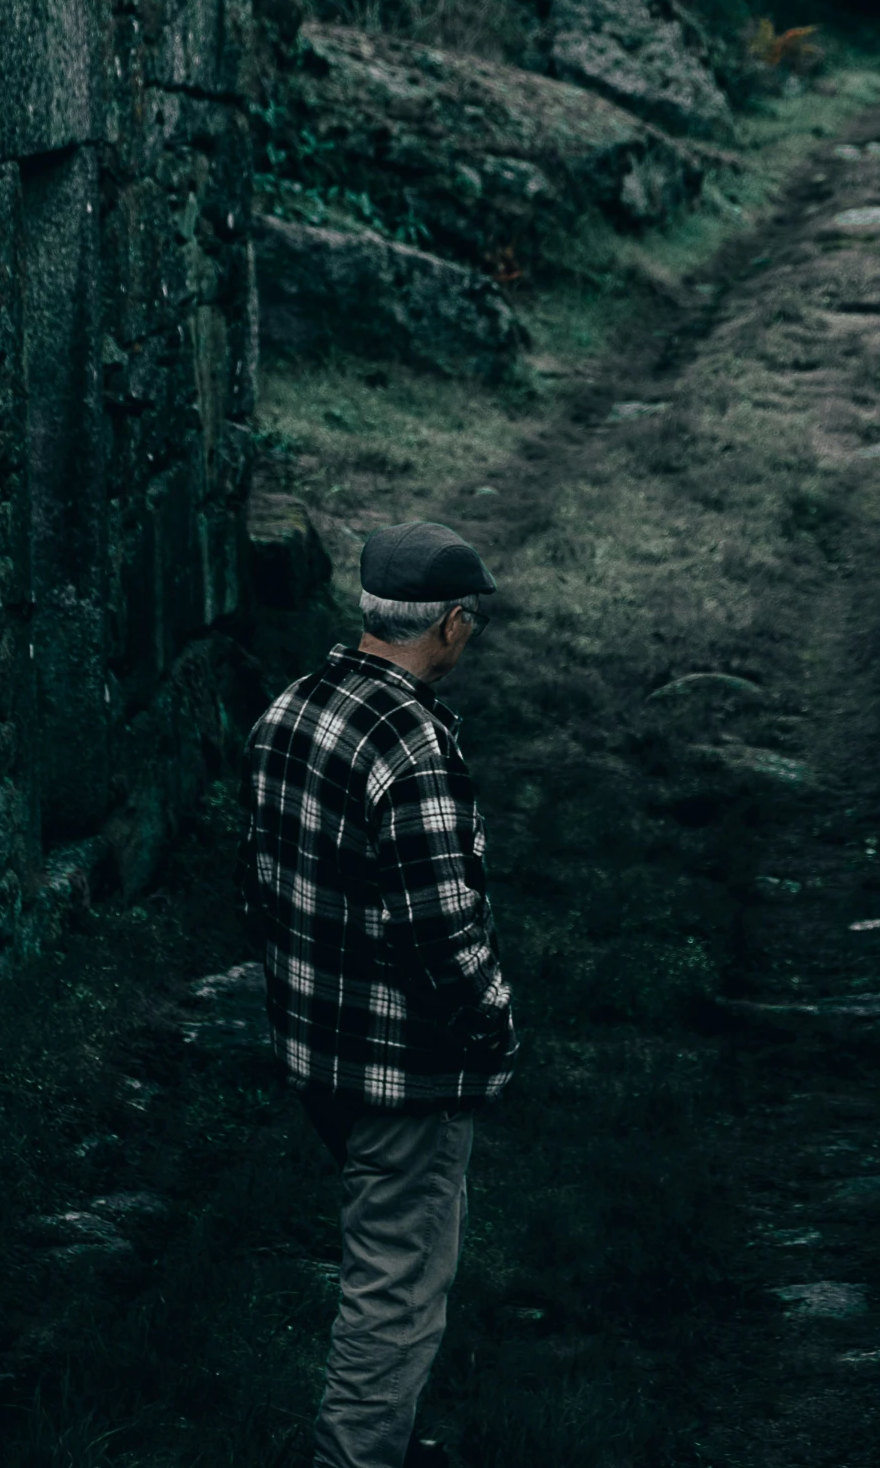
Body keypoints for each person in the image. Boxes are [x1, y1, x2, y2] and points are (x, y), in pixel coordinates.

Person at [238, 520, 519, 1468]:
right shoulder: (410, 745)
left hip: (317, 1051)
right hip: (403, 1068)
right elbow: (442, 930)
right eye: (466, 618)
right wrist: (493, 1032)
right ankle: (356, 1456)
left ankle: (382, 1433)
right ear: (444, 626)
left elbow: (262, 881)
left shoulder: (291, 707)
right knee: (394, 1286)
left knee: (388, 1265)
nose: (468, 632)